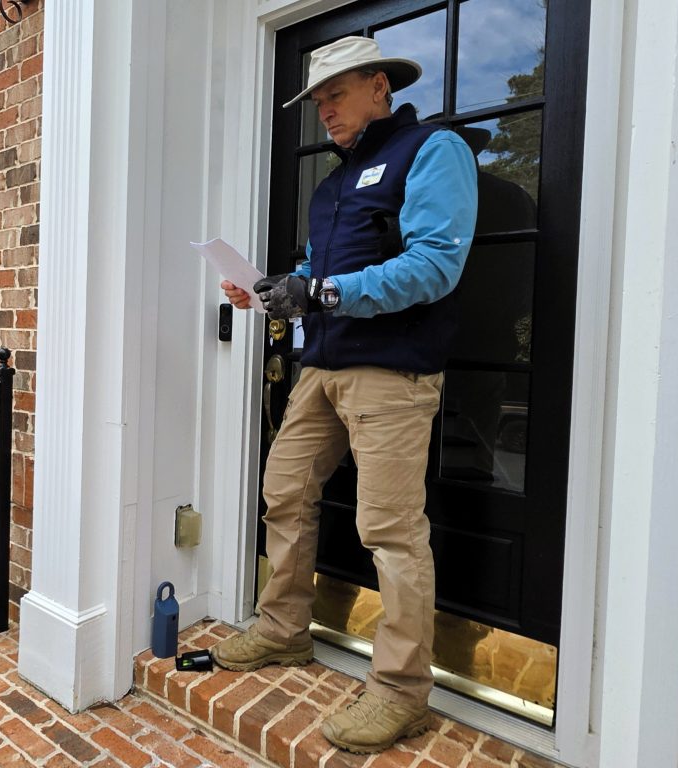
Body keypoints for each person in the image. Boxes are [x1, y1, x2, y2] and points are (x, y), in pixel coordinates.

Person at [212, 35, 477, 754]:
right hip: (321, 369)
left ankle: (400, 689)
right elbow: (317, 273)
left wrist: (321, 290)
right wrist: (272, 290)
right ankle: (283, 630)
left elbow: (435, 264)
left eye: (334, 93)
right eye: (317, 99)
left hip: (391, 372)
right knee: (285, 492)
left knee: (390, 530)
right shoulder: (333, 185)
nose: (322, 109)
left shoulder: (431, 150)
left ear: (379, 87)